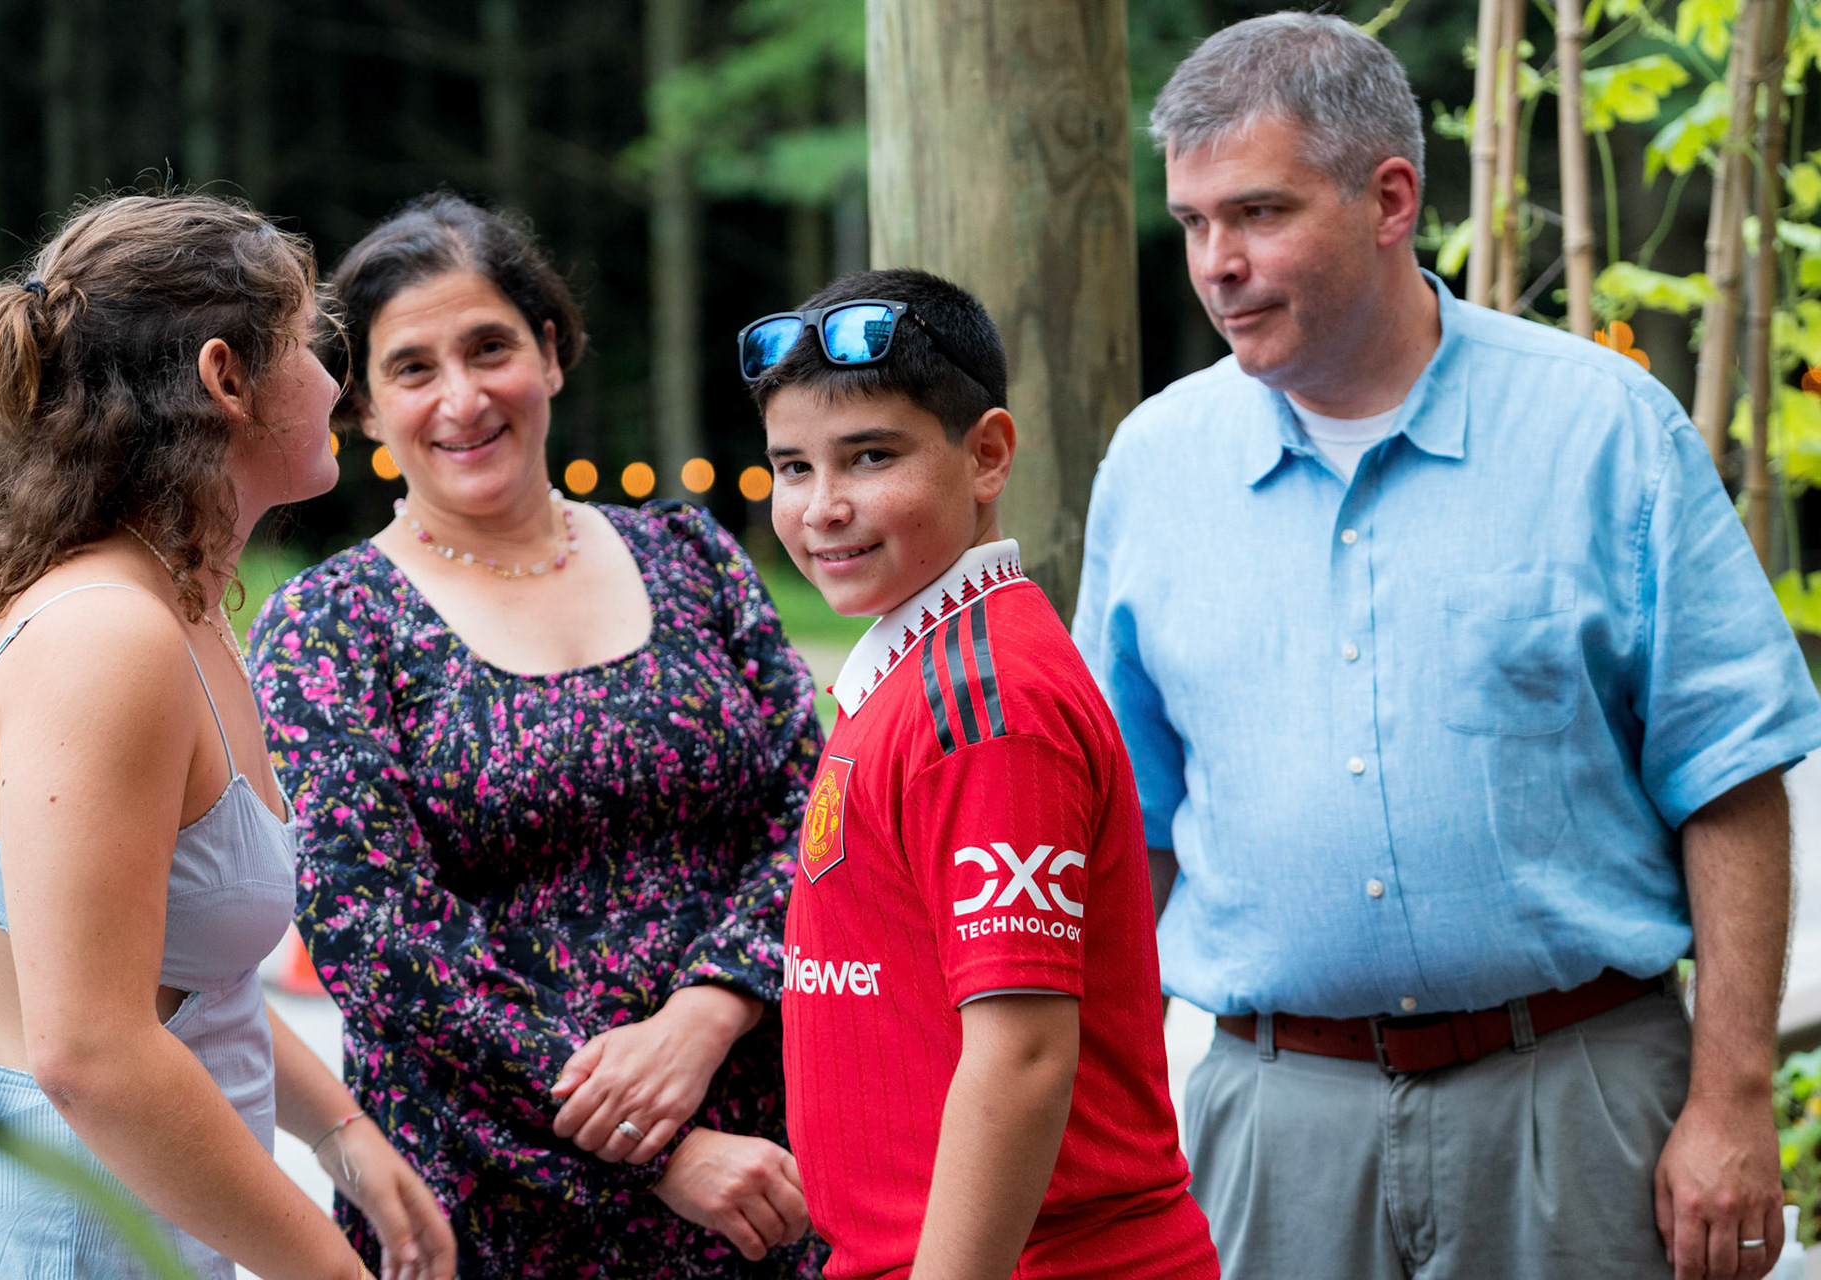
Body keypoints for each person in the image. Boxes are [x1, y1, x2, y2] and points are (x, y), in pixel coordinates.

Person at [1071, 13, 1821, 1280]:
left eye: (1256, 213)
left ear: (1390, 198)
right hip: (1270, 1118)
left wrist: (1733, 1096)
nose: (1218, 264)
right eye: (1194, 223)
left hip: (1577, 1101)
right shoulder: (1156, 465)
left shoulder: (1604, 430)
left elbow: (1730, 777)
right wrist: (1109, 1124)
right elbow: (1128, 823)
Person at [248, 192, 821, 1278]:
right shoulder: (332, 622)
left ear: (550, 353)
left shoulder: (689, 555)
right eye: (413, 368)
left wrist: (712, 1005)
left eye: (490, 346)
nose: (462, 397)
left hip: (761, 1169)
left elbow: (821, 801)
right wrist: (656, 1149)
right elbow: (377, 936)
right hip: (493, 1195)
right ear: (366, 408)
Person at [0, 193, 455, 1279]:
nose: (337, 383)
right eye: (307, 345)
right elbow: (92, 1053)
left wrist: (339, 1128)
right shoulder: (107, 636)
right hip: (56, 1236)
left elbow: (184, 984)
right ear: (226, 378)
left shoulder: (179, 604)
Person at [745, 267, 1220, 1280]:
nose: (824, 506)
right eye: (793, 466)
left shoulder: (987, 708)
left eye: (870, 457)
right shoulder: (922, 667)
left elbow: (1024, 1055)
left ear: (987, 453)